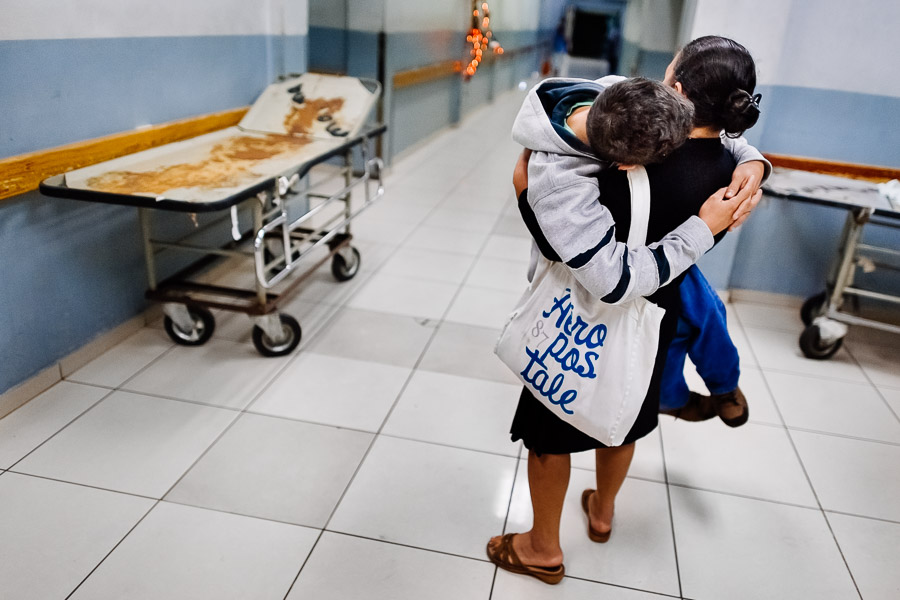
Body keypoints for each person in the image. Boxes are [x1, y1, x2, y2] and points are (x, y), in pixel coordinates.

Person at [487, 36, 764, 584]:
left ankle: (542, 546)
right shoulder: (729, 175)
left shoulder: (617, 150)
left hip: (583, 315)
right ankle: (603, 510)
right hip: (656, 315)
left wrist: (525, 197)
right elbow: (735, 150)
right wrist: (757, 162)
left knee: (550, 435)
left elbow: (562, 245)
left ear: (677, 88)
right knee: (624, 420)